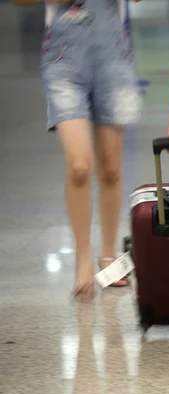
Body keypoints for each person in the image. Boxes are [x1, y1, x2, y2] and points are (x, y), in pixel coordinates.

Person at [13, 0, 142, 300]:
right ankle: (82, 257)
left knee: (110, 168)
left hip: (114, 57)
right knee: (80, 166)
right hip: (63, 59)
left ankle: (107, 256)